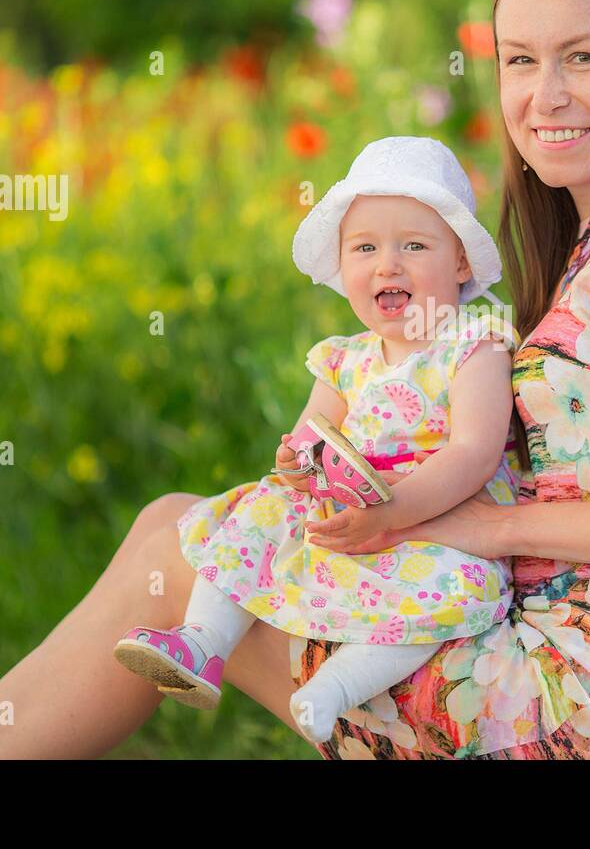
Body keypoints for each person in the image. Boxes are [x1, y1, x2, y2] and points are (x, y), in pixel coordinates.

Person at [0, 0, 590, 760]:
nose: (543, 94)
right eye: (520, 61)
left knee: (170, 552)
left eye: (583, 57)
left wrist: (491, 528)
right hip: (528, 655)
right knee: (181, 534)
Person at [111, 136, 528, 745]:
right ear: (344, 265)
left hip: (439, 522)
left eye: (414, 245)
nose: (388, 265)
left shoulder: (475, 346)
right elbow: (311, 441)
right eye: (366, 248)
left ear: (461, 262)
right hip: (351, 513)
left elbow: (472, 452)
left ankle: (331, 688)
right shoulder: (344, 360)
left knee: (443, 599)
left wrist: (396, 513)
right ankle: (201, 643)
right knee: (255, 513)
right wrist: (297, 463)